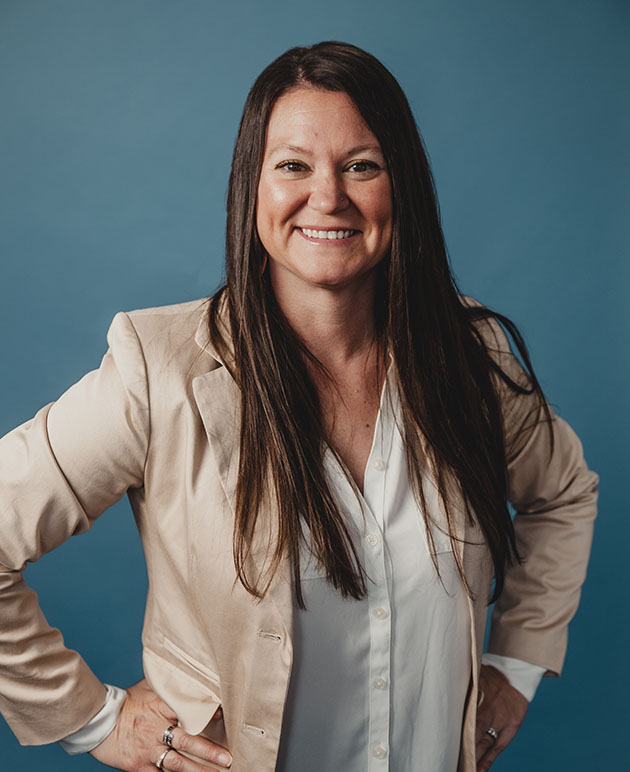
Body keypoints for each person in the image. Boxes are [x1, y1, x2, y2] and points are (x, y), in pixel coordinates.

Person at [0, 41, 598, 772]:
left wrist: (519, 663)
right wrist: (95, 720)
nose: (329, 196)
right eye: (293, 165)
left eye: (362, 165)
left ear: (400, 184)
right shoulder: (159, 371)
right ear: (251, 185)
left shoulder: (469, 356)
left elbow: (563, 495)